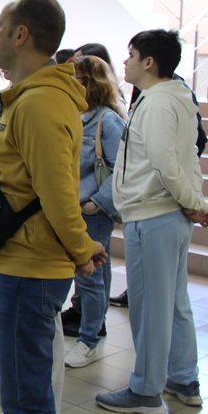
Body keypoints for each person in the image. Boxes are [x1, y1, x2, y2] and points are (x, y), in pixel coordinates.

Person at [0, 0, 105, 414]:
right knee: (24, 401)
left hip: (26, 270)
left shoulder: (40, 104)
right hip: (18, 266)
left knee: (27, 405)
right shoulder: (32, 99)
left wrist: (82, 248)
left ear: (21, 34)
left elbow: (58, 195)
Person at [96, 30, 208, 414]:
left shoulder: (155, 103)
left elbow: (166, 163)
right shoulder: (178, 95)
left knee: (150, 307)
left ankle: (146, 390)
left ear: (149, 62)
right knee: (175, 303)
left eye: (131, 55)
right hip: (168, 217)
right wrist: (194, 202)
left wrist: (196, 203)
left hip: (152, 216)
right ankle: (183, 378)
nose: (125, 62)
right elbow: (186, 158)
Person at [61, 55, 126, 367]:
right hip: (69, 208)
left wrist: (95, 202)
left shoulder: (107, 121)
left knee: (90, 277)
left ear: (90, 83)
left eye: (76, 78)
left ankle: (89, 340)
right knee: (83, 274)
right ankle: (87, 332)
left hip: (91, 212)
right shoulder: (70, 114)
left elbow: (122, 170)